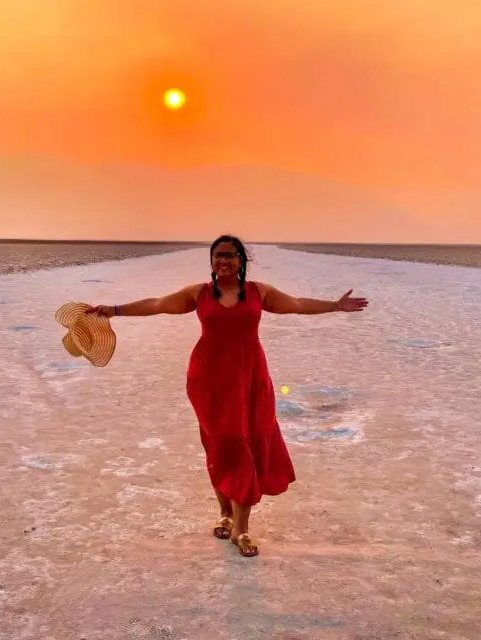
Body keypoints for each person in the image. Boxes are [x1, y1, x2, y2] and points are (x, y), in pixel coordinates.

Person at [91, 235, 368, 557]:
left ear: (241, 261)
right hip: (208, 379)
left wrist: (335, 306)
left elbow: (297, 305)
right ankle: (225, 513)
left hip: (251, 378)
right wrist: (113, 310)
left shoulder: (257, 292)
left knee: (244, 443)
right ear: (211, 261)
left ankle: (242, 529)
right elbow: (157, 305)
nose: (223, 261)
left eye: (230, 255)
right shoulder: (199, 293)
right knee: (221, 443)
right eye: (218, 256)